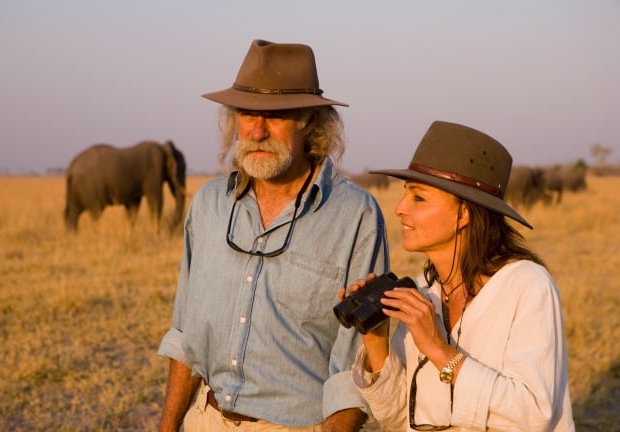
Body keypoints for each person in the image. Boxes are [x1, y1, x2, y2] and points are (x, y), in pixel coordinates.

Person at [157, 39, 389, 431]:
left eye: (277, 116)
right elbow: (185, 336)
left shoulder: (355, 216)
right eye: (247, 114)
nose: (258, 131)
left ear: (309, 121)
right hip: (205, 419)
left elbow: (352, 370)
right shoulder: (210, 205)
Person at [344, 121, 575, 431]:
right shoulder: (425, 292)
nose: (400, 208)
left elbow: (533, 414)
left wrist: (440, 351)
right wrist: (376, 340)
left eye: (419, 198)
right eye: (404, 195)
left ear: (464, 214)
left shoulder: (527, 286)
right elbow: (398, 418)